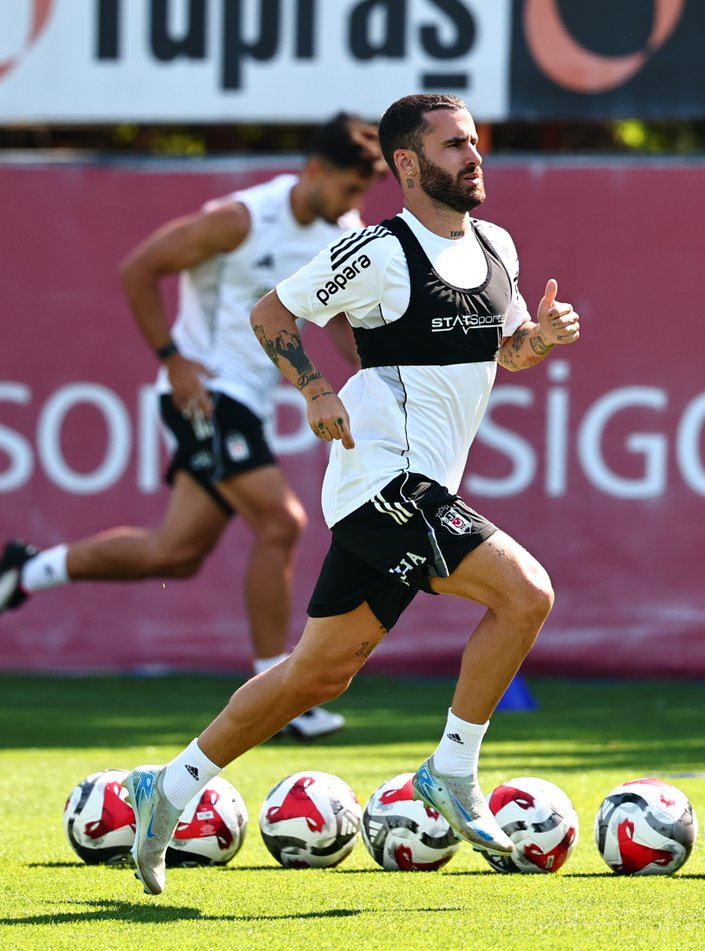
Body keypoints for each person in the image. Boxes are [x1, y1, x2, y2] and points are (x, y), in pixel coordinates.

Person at [118, 92, 581, 895]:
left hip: (420, 487)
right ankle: (452, 771)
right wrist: (314, 387)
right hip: (383, 482)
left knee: (314, 676)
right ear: (407, 164)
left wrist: (537, 338)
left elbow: (503, 352)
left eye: (474, 143)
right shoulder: (377, 251)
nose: (473, 157)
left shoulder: (498, 245)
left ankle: (172, 784)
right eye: (452, 146)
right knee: (526, 592)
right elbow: (273, 312)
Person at [0, 113, 384, 741]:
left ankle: (28, 570)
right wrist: (171, 359)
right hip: (203, 395)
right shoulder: (240, 219)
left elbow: (338, 320)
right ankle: (282, 693)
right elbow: (139, 268)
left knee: (173, 553)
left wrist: (381, 375)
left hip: (245, 404)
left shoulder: (343, 232)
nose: (353, 203)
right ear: (315, 169)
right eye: (347, 187)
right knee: (280, 522)